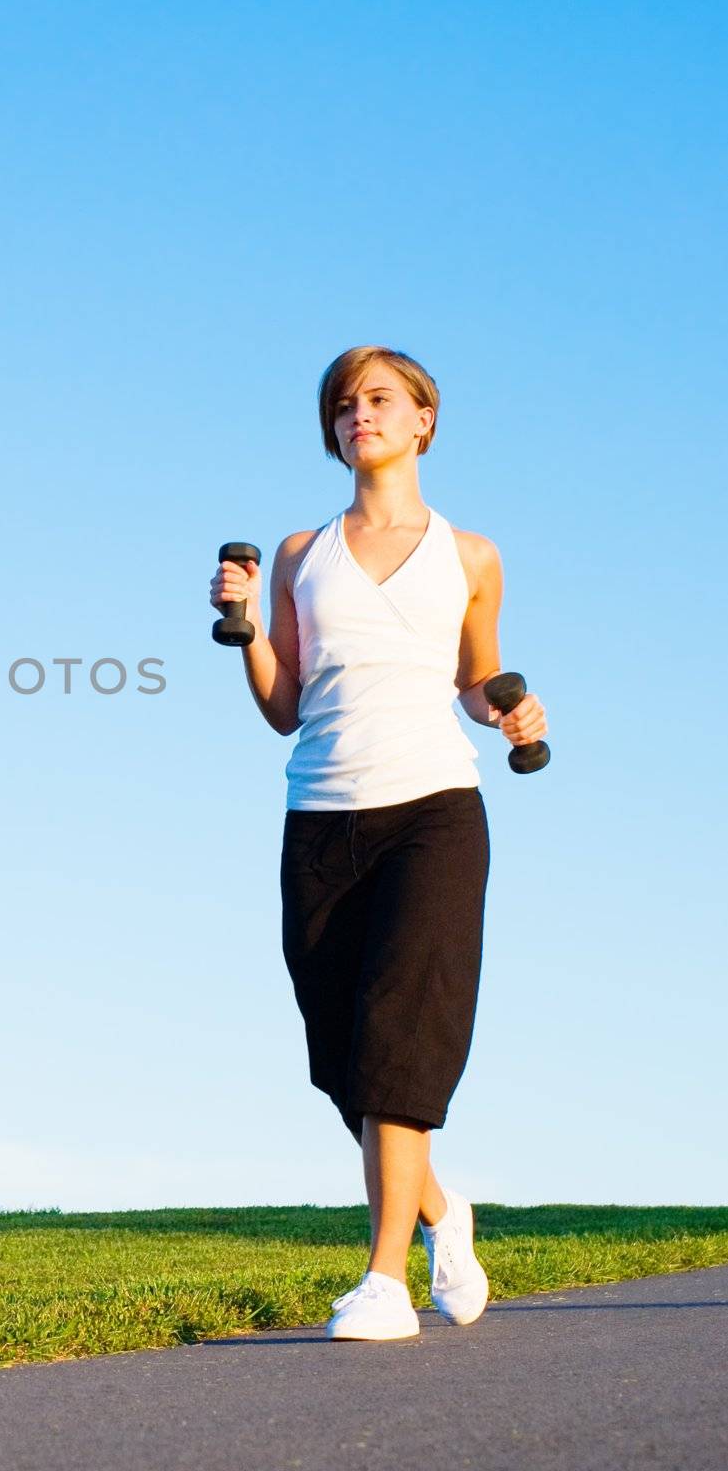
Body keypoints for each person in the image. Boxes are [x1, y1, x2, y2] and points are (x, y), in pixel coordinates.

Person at [209, 344, 548, 1341]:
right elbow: (282, 703)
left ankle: (384, 1281)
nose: (362, 414)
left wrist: (513, 714)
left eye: (381, 399)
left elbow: (478, 678)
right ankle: (444, 1212)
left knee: (403, 1034)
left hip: (434, 811)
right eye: (345, 404)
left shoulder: (472, 554)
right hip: (318, 815)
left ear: (422, 421)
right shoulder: (300, 553)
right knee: (347, 1062)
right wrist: (242, 624)